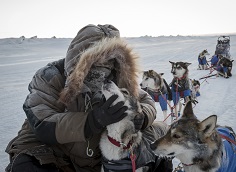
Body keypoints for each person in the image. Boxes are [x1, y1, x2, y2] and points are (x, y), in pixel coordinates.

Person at [5, 24, 172, 172]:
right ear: (80, 58)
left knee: (158, 132)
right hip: (55, 153)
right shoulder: (50, 77)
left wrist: (141, 117)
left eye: (109, 63)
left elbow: (146, 101)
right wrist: (92, 121)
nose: (103, 71)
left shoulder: (117, 78)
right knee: (29, 164)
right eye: (96, 62)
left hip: (95, 156)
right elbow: (42, 123)